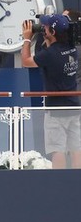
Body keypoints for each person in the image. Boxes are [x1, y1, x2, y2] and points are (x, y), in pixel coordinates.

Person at [21, 14, 81, 169]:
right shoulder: (73, 48)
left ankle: (60, 183)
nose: (43, 29)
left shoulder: (50, 54)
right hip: (74, 106)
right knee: (76, 149)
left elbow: (26, 62)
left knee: (57, 149)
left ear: (52, 32)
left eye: (45, 27)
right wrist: (47, 39)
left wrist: (27, 38)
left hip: (56, 109)